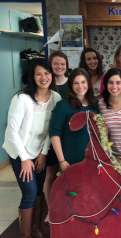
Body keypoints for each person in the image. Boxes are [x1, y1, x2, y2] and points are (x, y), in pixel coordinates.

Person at [2, 59, 61, 238]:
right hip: (19, 152)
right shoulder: (22, 99)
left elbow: (52, 130)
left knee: (40, 191)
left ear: (52, 75)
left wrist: (43, 154)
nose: (43, 77)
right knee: (29, 192)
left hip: (39, 151)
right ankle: (26, 235)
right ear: (32, 76)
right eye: (38, 73)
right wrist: (25, 159)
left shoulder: (56, 98)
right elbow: (12, 132)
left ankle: (36, 229)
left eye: (47, 73)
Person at [49, 68, 99, 171]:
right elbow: (55, 134)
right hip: (71, 159)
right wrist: (62, 161)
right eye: (76, 83)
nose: (80, 86)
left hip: (94, 159)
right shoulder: (63, 106)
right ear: (71, 85)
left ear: (88, 83)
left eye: (83, 82)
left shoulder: (96, 105)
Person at [44, 51, 69, 225]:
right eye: (56, 64)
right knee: (51, 174)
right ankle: (50, 210)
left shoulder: (73, 83)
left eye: (62, 64)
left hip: (69, 136)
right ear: (50, 65)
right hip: (51, 136)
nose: (59, 67)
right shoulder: (46, 84)